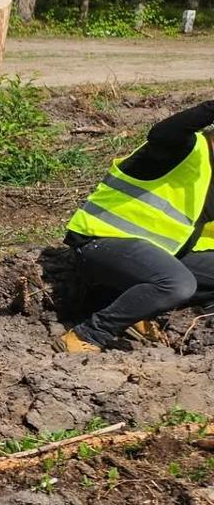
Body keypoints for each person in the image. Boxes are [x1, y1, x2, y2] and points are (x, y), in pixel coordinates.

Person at [60, 100, 214, 353]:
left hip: (155, 257)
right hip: (100, 243)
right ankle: (87, 335)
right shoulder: (183, 148)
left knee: (177, 280)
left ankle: (151, 318)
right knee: (176, 284)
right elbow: (162, 132)